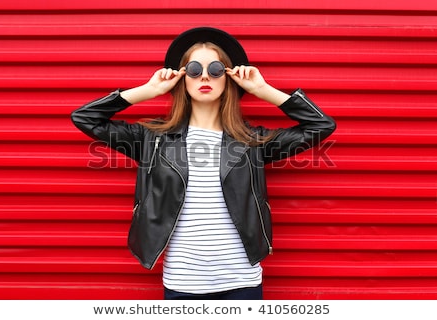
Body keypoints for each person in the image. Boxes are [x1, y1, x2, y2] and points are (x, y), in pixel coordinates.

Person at [71, 26, 336, 300]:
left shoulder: (252, 141)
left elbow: (320, 126)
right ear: (182, 78)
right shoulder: (152, 139)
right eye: (194, 69)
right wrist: (149, 90)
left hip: (242, 282)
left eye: (217, 69)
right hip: (182, 283)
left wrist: (262, 89)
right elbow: (85, 118)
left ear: (229, 77)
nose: (205, 76)